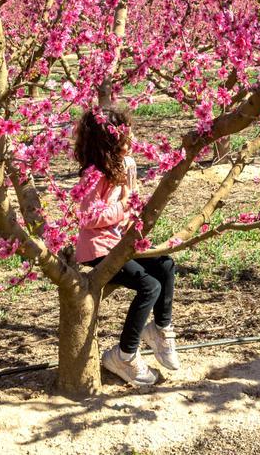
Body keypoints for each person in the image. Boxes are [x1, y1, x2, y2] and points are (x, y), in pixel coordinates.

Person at [74, 104, 180, 387]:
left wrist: (134, 216)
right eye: (125, 137)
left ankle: (160, 329)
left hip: (120, 242)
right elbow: (89, 217)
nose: (132, 141)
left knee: (166, 265)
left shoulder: (127, 165)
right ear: (109, 143)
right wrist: (123, 207)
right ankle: (124, 355)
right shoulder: (94, 176)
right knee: (150, 286)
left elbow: (133, 202)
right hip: (98, 248)